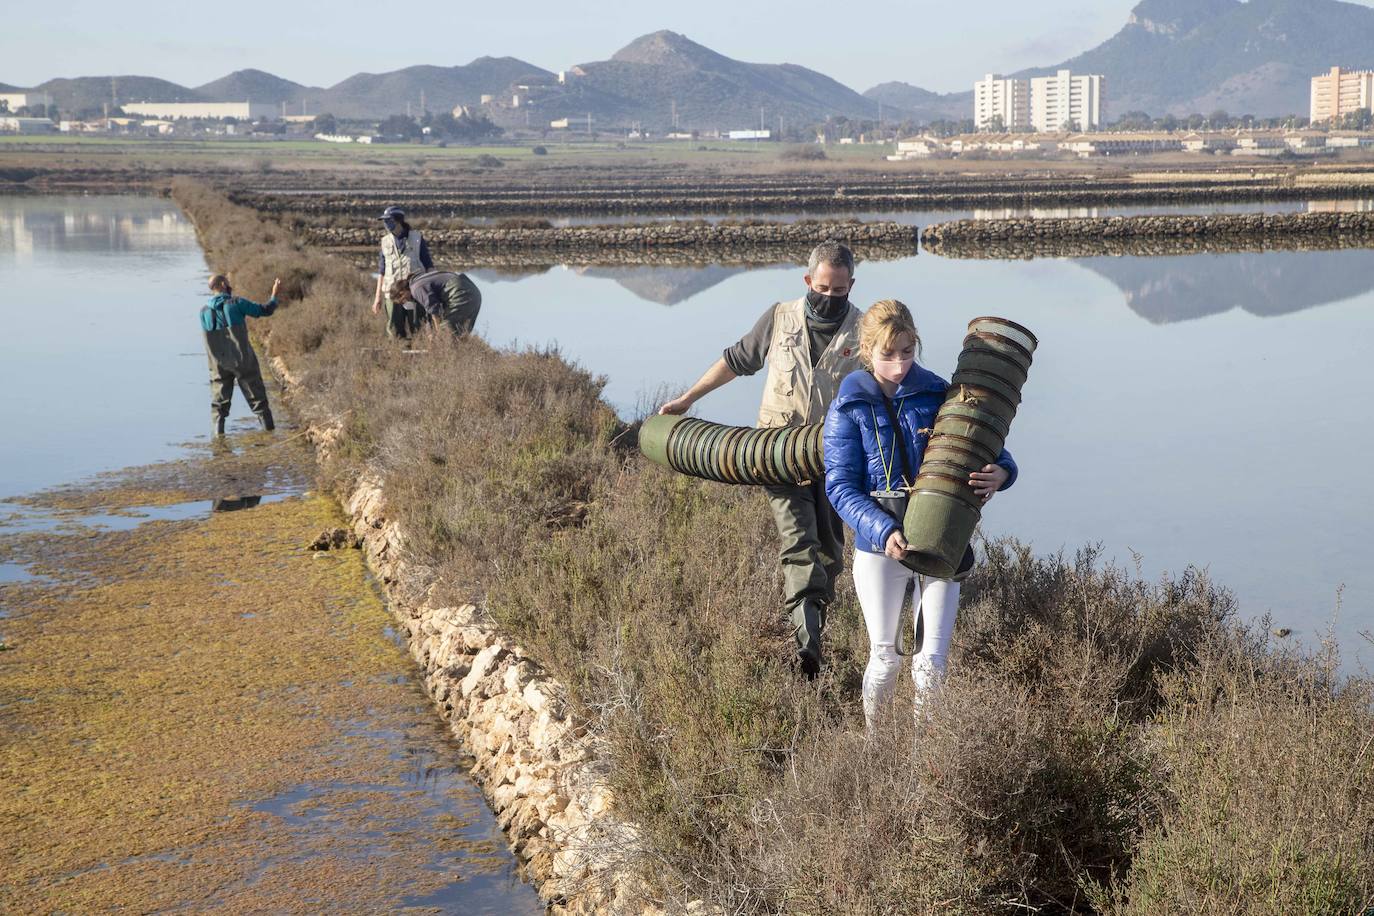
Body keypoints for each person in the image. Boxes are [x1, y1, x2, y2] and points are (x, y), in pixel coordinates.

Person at [659, 240, 863, 678]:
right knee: (799, 545)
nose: (829, 298)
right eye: (822, 288)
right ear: (808, 280)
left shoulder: (865, 331)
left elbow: (888, 384)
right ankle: (807, 652)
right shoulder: (779, 318)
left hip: (835, 465)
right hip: (776, 457)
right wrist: (688, 399)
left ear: (851, 286)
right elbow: (736, 360)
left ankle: (815, 628)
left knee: (830, 554)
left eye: (839, 291)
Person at [822, 299, 1018, 730]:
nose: (898, 365)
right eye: (887, 354)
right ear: (866, 350)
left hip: (944, 540)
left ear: (916, 345)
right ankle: (876, 749)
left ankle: (923, 760)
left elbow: (988, 445)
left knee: (931, 662)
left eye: (907, 352)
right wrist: (884, 529)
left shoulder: (938, 392)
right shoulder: (848, 406)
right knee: (886, 657)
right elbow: (840, 486)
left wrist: (1003, 472)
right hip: (880, 548)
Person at [202, 274, 280, 435]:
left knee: (219, 407)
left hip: (218, 364)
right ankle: (270, 436)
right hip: (243, 360)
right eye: (228, 282)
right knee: (259, 402)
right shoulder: (237, 303)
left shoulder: (203, 312)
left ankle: (219, 444)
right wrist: (274, 294)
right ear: (223, 284)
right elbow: (265, 310)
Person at [371, 205, 434, 340]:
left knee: (419, 329)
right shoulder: (385, 241)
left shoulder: (417, 238)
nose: (386, 224)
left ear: (398, 220)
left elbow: (429, 266)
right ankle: (398, 358)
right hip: (392, 294)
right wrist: (378, 297)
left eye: (389, 220)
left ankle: (421, 357)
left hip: (415, 293)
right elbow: (381, 271)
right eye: (384, 221)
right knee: (394, 332)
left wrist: (431, 293)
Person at [390, 269, 482, 336]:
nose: (405, 303)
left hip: (461, 293)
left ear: (402, 293)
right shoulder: (418, 280)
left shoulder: (416, 288)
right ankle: (463, 359)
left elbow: (434, 311)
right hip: (473, 291)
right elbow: (430, 312)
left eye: (402, 301)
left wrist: (438, 333)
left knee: (445, 335)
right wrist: (431, 331)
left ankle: (447, 359)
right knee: (462, 333)